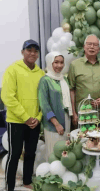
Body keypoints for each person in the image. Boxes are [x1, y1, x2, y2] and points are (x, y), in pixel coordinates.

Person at [1, 39, 45, 190]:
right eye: (29, 50)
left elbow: (43, 100)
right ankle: (9, 186)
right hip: (17, 121)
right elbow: (7, 97)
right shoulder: (12, 69)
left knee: (31, 153)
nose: (32, 53)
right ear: (22, 52)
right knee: (14, 155)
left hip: (34, 122)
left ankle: (27, 182)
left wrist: (38, 118)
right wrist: (25, 117)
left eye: (35, 51)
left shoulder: (41, 73)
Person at [68, 35, 100, 128]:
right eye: (89, 44)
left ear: (99, 49)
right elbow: (71, 90)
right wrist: (74, 113)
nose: (92, 47)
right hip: (81, 114)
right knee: (82, 140)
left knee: (99, 140)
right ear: (84, 47)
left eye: (95, 45)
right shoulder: (74, 65)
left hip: (99, 113)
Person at [38, 52, 72, 159]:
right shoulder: (45, 80)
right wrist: (56, 124)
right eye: (56, 62)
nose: (59, 65)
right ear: (49, 63)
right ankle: (54, 174)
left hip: (66, 118)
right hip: (53, 122)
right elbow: (44, 104)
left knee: (64, 150)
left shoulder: (64, 79)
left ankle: (63, 173)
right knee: (54, 151)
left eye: (62, 62)